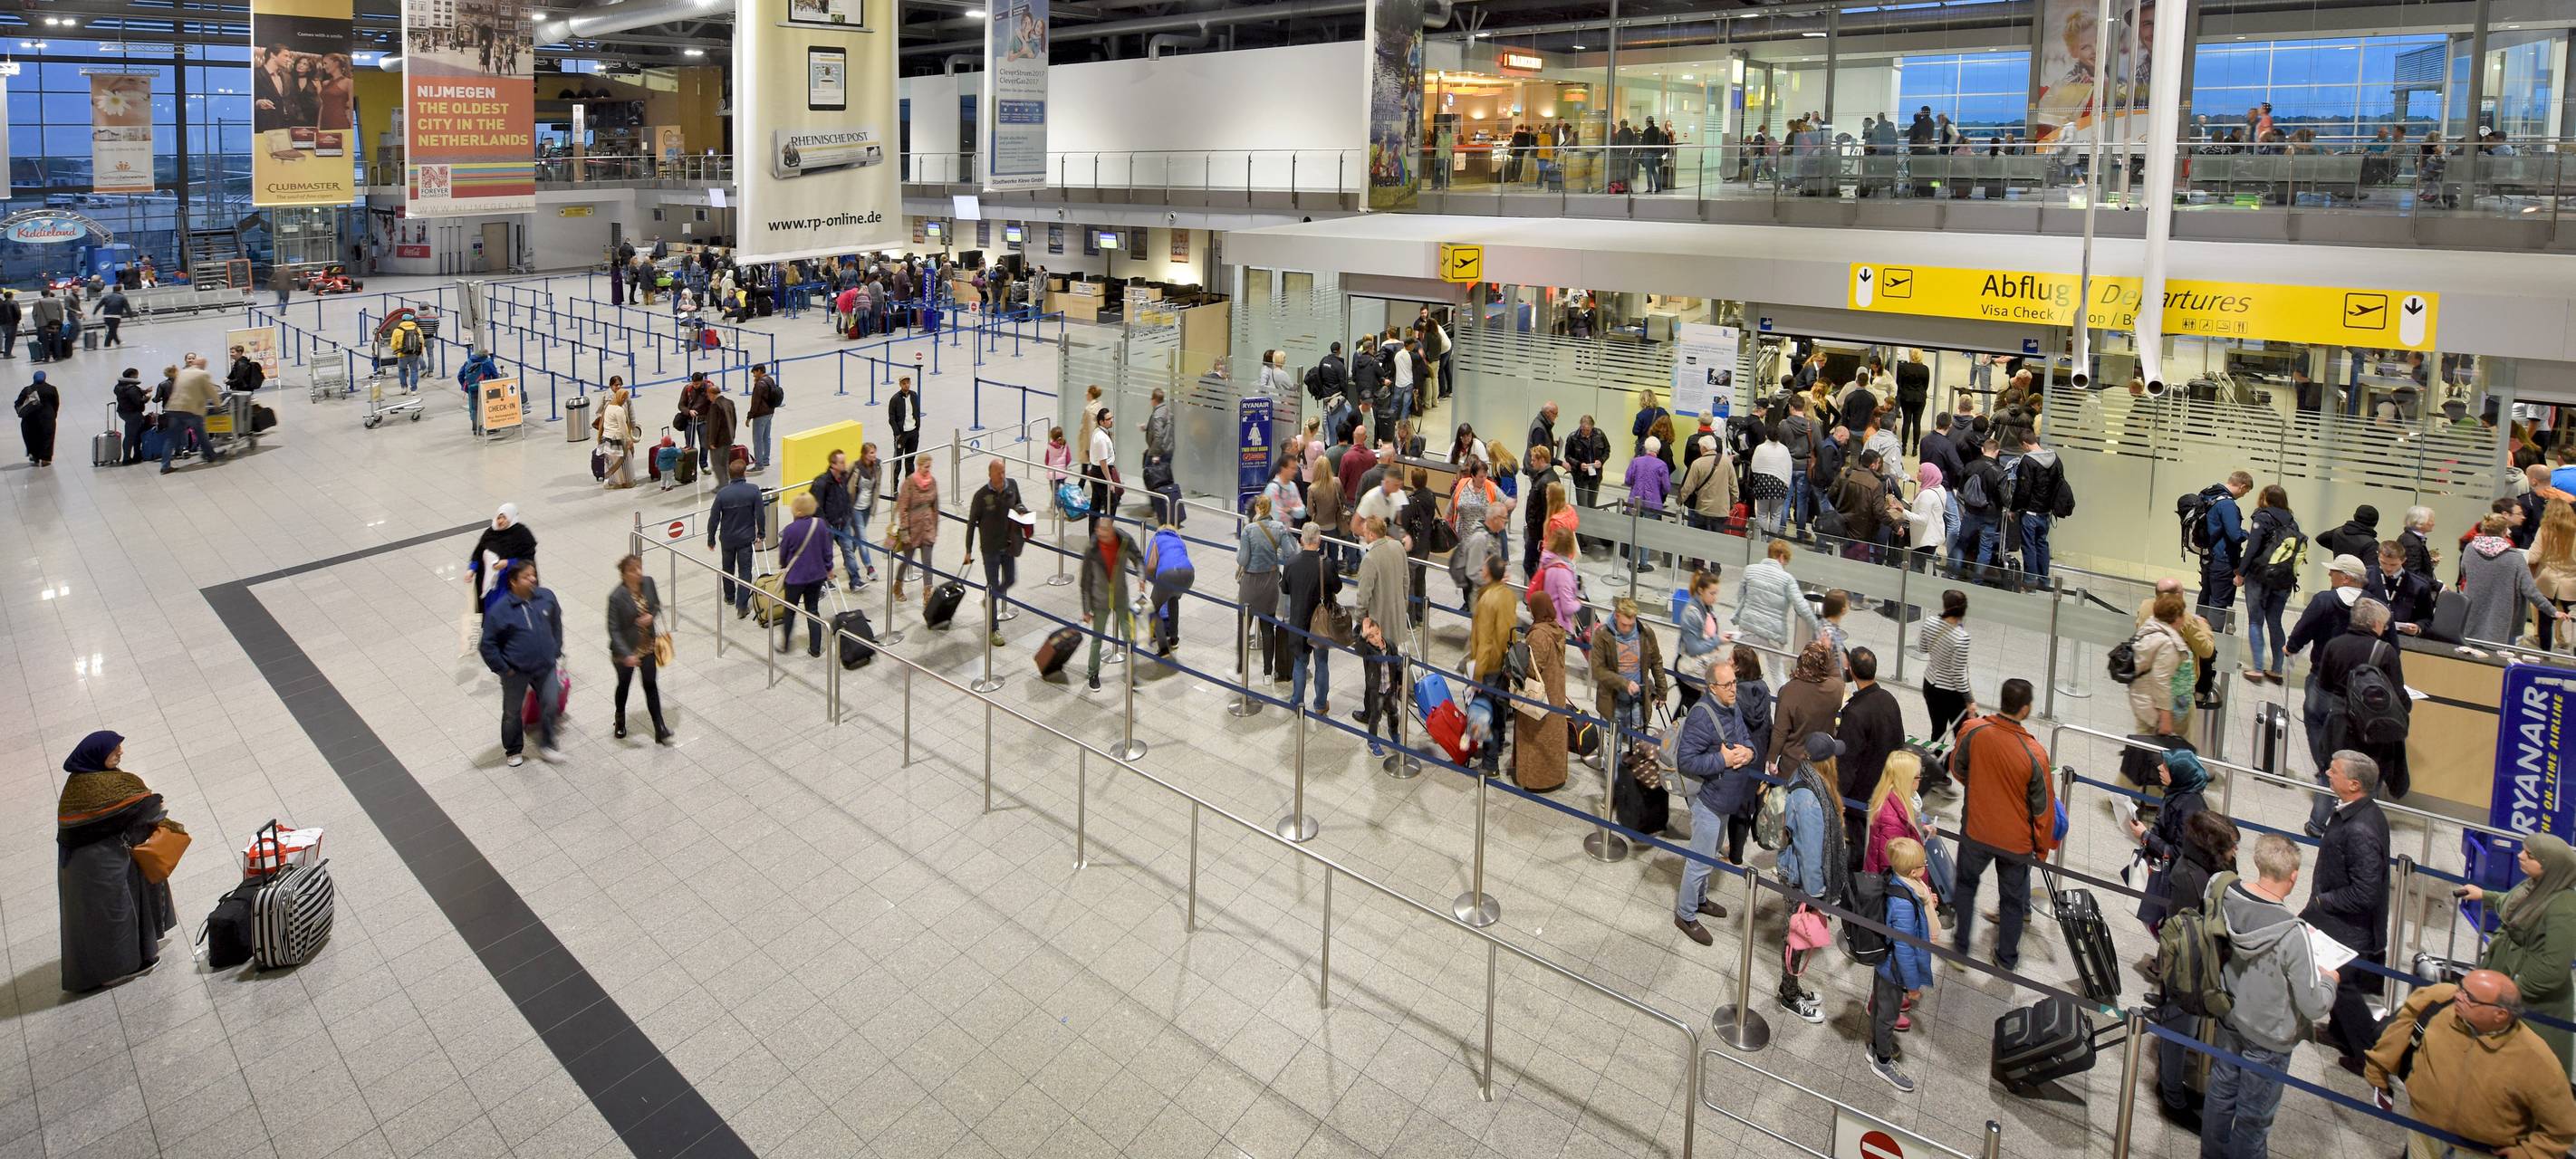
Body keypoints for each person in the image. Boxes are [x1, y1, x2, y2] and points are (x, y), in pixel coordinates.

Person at [2200, 834, 2340, 1159]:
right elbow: (2314, 1004)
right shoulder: (2293, 934)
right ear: (2293, 878)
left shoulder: (2224, 890)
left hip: (2230, 1015)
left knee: (2220, 1095)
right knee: (2253, 1118)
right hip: (2269, 1036)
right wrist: (2330, 981)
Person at [2364, 969, 2576, 1159]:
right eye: (2461, 988)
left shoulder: (2535, 1058)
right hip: (2423, 1134)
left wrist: (2528, 1153)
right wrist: (2377, 1069)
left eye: (2469, 997)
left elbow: (2561, 1127)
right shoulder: (2440, 1001)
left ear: (2500, 1014)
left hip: (2479, 1152)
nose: (2458, 996)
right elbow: (2400, 1028)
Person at [55, 731, 181, 992]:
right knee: (114, 915)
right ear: (97, 755)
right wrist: (155, 804)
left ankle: (127, 958)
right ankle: (118, 969)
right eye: (114, 750)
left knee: (102, 916)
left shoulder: (79, 783)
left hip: (90, 861)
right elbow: (142, 806)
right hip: (99, 865)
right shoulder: (98, 786)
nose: (120, 753)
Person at [1951, 677, 2054, 970]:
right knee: (2012, 901)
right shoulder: (2035, 754)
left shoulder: (1973, 730)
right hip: (2016, 842)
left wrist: (1980, 784)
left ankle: (1960, 948)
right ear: (2026, 709)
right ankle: (2007, 958)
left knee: (1966, 885)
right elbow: (2043, 808)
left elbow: (1957, 769)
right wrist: (2042, 848)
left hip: (1976, 830)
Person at [2451, 834, 2576, 1073]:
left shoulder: (2565, 907)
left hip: (2532, 1003)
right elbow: (2515, 904)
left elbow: (2553, 967)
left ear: (2548, 865)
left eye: (2529, 855)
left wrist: (2509, 993)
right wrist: (2485, 896)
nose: (2520, 856)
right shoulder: (2535, 884)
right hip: (2507, 984)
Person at [2303, 750, 2391, 1074]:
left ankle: (2369, 1056)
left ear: (2354, 784)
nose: (2327, 773)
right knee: (2341, 984)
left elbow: (2365, 893)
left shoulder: (2360, 830)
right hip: (2343, 922)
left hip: (2347, 927)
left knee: (2344, 986)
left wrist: (2325, 901)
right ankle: (2341, 1033)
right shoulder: (2360, 812)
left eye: (2335, 771)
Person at [1673, 655, 1754, 943]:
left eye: (1734, 681)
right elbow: (1686, 761)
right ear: (1711, 688)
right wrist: (1722, 759)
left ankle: (1701, 899)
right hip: (1708, 800)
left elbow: (1746, 738)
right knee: (1699, 860)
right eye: (1727, 684)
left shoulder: (1733, 707)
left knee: (1710, 855)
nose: (1734, 688)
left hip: (1726, 800)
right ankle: (1685, 913)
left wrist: (1749, 752)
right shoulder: (1701, 715)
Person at [1776, 732, 1848, 1023]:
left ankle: (1792, 988)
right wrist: (1815, 893)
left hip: (1801, 873)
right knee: (1796, 936)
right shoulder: (1810, 798)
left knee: (1796, 935)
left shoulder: (1809, 780)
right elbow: (1809, 851)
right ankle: (1788, 995)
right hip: (1801, 879)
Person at [479, 560, 565, 767]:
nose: (533, 579)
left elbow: (556, 623)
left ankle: (548, 743)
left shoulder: (546, 597)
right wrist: (504, 669)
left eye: (533, 574)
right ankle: (513, 748)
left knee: (550, 702)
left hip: (545, 666)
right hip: (515, 671)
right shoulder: (500, 611)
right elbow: (487, 644)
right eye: (526, 576)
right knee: (512, 711)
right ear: (513, 582)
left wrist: (555, 649)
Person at [1868, 837, 1937, 1092]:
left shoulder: (1899, 882)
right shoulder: (1903, 903)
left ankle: (1876, 1046)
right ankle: (1882, 1061)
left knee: (1880, 1007)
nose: (1925, 868)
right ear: (1913, 871)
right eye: (1923, 865)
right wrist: (1912, 985)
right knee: (1887, 1015)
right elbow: (1904, 948)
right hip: (1894, 969)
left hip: (1884, 963)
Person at [1837, 647, 1904, 862]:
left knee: (1856, 845)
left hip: (1860, 796)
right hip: (1887, 787)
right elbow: (1899, 740)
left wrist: (1838, 796)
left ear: (1852, 672)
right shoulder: (1889, 699)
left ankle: (1856, 887)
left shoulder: (1855, 713)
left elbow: (1847, 762)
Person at [2464, 512, 2568, 646]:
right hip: (2503, 620)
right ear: (2505, 531)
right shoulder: (2515, 558)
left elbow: (2465, 573)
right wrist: (2552, 611)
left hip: (2472, 614)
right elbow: (2530, 591)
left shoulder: (2469, 550)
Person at [1356, 516, 1411, 764]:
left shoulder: (1370, 559)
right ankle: (1392, 724)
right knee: (1393, 675)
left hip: (1377, 630)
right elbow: (1406, 583)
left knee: (1375, 677)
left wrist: (1362, 623)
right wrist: (1403, 607)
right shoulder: (1398, 548)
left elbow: (1363, 596)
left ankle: (1372, 716)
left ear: (1369, 535)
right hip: (1397, 622)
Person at [2235, 484, 2303, 684]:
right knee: (2275, 622)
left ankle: (2257, 670)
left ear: (2264, 498)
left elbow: (2253, 547)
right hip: (2283, 579)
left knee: (2256, 621)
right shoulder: (2293, 523)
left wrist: (2241, 572)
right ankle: (2276, 670)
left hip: (2259, 576)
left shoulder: (2262, 517)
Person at [605, 553, 673, 743]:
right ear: (624, 574)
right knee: (624, 686)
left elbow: (657, 605)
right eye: (633, 570)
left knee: (650, 685)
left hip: (648, 646)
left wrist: (651, 615)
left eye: (640, 568)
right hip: (625, 651)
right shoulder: (616, 597)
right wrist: (627, 654)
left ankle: (660, 727)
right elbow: (613, 629)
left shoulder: (648, 583)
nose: (639, 573)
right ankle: (619, 718)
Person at [961, 460, 1026, 647]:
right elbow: (971, 523)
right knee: (992, 584)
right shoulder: (981, 496)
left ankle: (991, 598)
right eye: (998, 473)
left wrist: (1021, 510)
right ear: (990, 474)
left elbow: (1019, 503)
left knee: (1011, 579)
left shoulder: (1012, 486)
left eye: (1004, 472)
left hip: (1009, 545)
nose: (1002, 476)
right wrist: (968, 550)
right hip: (990, 549)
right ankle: (993, 629)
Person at [1465, 557, 1517, 774]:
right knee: (1499, 709)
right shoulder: (1508, 594)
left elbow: (1485, 641)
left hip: (1490, 666)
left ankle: (1489, 763)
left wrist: (1477, 675)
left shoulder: (1487, 601)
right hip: (1504, 662)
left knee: (1486, 712)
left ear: (1488, 572)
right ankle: (1497, 748)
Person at [1516, 589, 1572, 792]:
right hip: (1556, 693)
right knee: (1553, 735)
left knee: (1536, 735)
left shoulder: (1539, 635)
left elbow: (1533, 667)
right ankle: (1556, 775)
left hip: (1540, 695)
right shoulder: (1555, 629)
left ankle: (1536, 779)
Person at [1078, 517, 1142, 694]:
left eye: (1104, 531)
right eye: (1099, 531)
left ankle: (1131, 674)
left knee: (1129, 637)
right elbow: (1085, 582)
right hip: (1100, 601)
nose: (1100, 534)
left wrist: (1141, 575)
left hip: (1121, 597)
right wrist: (1085, 609)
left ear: (1111, 531)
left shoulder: (1124, 541)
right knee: (1097, 639)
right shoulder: (1092, 549)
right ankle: (1093, 674)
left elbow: (1138, 558)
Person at [1281, 523, 1336, 714]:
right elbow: (1337, 587)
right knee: (1322, 663)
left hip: (1298, 621)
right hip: (1320, 624)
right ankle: (1320, 704)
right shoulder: (1326, 564)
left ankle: (1297, 702)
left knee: (1300, 663)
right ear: (1319, 540)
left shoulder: (1291, 563)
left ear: (1302, 540)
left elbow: (1285, 589)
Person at [1916, 589, 1976, 756]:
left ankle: (1936, 769)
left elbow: (1922, 648)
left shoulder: (1929, 623)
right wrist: (1969, 700)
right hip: (1951, 693)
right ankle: (1951, 766)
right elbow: (1958, 675)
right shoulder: (1961, 637)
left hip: (1930, 683)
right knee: (1960, 732)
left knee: (1938, 730)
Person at [2129, 591, 2196, 740]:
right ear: (2176, 617)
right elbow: (2161, 679)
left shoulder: (2148, 628)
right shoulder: (2168, 644)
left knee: (2142, 748)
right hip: (2163, 711)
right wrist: (2165, 718)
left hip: (2144, 702)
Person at [774, 493, 834, 656]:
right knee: (812, 609)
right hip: (817, 575)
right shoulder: (820, 524)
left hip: (795, 578)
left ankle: (785, 644)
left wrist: (784, 566)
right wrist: (829, 568)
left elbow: (783, 554)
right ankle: (815, 648)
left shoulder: (790, 530)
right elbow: (827, 550)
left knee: (790, 611)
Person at [1735, 539, 1821, 648]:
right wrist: (1817, 627)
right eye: (1786, 560)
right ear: (1781, 557)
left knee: (1744, 662)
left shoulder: (1749, 570)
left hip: (1748, 626)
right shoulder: (1787, 579)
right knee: (1774, 665)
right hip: (1774, 632)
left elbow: (1740, 596)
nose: (1785, 564)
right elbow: (1802, 607)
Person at [1239, 496, 1290, 680]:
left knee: (1244, 626)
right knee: (1268, 628)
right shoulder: (1279, 528)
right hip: (1270, 582)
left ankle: (1241, 669)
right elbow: (1289, 552)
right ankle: (1268, 672)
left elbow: (1242, 560)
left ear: (1258, 510)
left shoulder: (1249, 530)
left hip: (1250, 584)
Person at [706, 461, 764, 617]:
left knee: (728, 569)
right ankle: (742, 605)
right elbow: (760, 514)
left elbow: (714, 518)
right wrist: (761, 533)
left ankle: (730, 597)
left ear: (730, 475)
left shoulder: (722, 494)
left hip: (727, 539)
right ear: (744, 473)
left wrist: (710, 539)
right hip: (745, 539)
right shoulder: (753, 491)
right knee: (745, 571)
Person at [1672, 570, 1731, 713]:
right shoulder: (1692, 613)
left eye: (1716, 593)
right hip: (1688, 671)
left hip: (1701, 666)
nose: (1715, 598)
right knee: (1688, 709)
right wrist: (1717, 641)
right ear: (1700, 590)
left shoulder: (1707, 608)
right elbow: (1694, 648)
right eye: (1712, 593)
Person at [891, 455, 941, 612]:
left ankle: (927, 596)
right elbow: (903, 507)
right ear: (919, 466)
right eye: (926, 467)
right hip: (912, 528)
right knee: (907, 559)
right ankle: (898, 585)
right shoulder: (910, 483)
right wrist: (904, 530)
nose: (928, 470)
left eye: (930, 467)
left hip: (927, 528)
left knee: (928, 563)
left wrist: (935, 526)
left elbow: (935, 506)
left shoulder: (932, 482)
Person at [467, 503, 536, 612]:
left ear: (511, 517)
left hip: (510, 585)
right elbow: (478, 553)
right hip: (490, 587)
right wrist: (472, 569)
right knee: (491, 613)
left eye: (504, 517)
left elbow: (528, 560)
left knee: (507, 613)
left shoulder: (522, 534)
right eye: (499, 517)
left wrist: (508, 563)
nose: (500, 521)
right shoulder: (490, 533)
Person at [1564, 416, 1609, 551]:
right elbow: (1567, 456)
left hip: (1595, 477)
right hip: (1581, 477)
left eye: (1588, 430)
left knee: (1591, 507)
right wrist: (1578, 464)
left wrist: (1601, 460)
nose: (1586, 433)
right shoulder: (1573, 437)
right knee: (1582, 509)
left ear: (1592, 427)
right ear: (1580, 426)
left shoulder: (1600, 434)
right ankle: (1582, 541)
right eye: (1583, 430)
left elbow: (1607, 450)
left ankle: (1590, 535)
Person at [1523, 445, 1562, 578]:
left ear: (1542, 460)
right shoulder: (1547, 477)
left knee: (1529, 564)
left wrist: (1541, 536)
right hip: (1537, 532)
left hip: (1538, 534)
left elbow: (1548, 511)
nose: (1531, 462)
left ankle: (1539, 591)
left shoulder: (1546, 481)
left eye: (1534, 460)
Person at [14, 369, 59, 466]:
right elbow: (56, 403)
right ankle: (46, 458)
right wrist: (53, 414)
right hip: (47, 418)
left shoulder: (27, 390)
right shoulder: (51, 389)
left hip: (30, 419)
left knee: (32, 436)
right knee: (47, 436)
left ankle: (35, 456)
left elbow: (18, 403)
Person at [746, 364, 783, 473]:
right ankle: (765, 459)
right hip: (770, 412)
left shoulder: (759, 385)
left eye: (754, 373)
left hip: (760, 415)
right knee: (766, 437)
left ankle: (759, 465)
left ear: (759, 371)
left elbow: (755, 402)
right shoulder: (770, 379)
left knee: (757, 440)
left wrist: (749, 416)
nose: (753, 375)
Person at [111, 368, 149, 465]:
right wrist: (147, 398)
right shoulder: (132, 388)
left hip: (123, 412)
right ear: (132, 375)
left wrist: (143, 391)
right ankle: (127, 458)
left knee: (131, 434)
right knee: (131, 436)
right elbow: (139, 401)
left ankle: (132, 455)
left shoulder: (119, 386)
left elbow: (127, 396)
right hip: (133, 414)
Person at [889, 375, 922, 479]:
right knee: (897, 463)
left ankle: (909, 486)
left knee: (910, 461)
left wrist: (917, 427)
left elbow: (916, 411)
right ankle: (894, 488)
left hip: (913, 432)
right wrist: (897, 433)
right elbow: (891, 418)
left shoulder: (914, 395)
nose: (906, 385)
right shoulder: (895, 399)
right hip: (901, 435)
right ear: (900, 385)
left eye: (908, 383)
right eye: (904, 383)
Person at [96, 283, 127, 348]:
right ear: (120, 289)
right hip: (116, 316)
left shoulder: (106, 296)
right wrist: (130, 315)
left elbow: (99, 305)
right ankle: (118, 343)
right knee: (113, 330)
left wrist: (94, 312)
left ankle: (107, 344)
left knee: (112, 330)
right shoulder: (122, 297)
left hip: (106, 316)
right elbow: (127, 307)